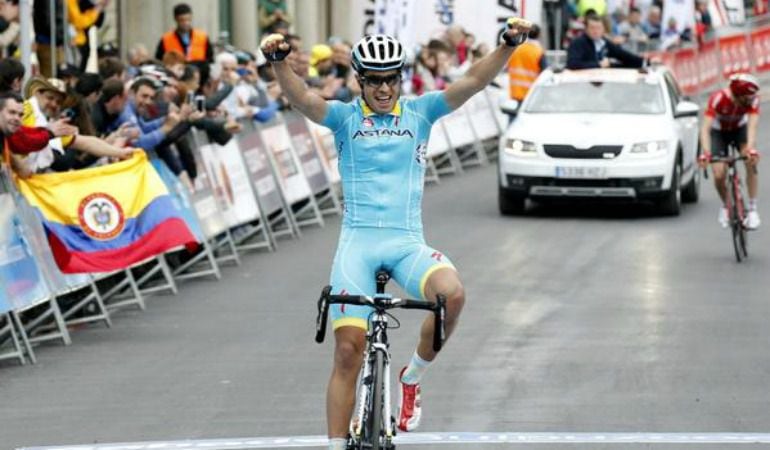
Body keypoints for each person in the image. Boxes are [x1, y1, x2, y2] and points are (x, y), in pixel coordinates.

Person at [261, 18, 532, 450]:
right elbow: (304, 100)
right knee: (348, 351)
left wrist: (507, 46)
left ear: (400, 79)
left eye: (391, 80)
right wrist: (277, 63)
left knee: (454, 294)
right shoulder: (346, 118)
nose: (384, 90)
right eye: (374, 82)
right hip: (358, 244)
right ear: (360, 81)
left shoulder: (421, 112)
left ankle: (411, 378)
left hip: (406, 242)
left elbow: (474, 81)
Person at [699, 73, 761, 229]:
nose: (750, 100)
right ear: (738, 95)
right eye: (747, 98)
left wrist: (751, 149)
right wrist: (706, 153)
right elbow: (705, 129)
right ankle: (727, 205)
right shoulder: (718, 99)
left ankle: (752, 209)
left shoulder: (753, 100)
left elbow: (752, 127)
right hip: (719, 133)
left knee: (749, 159)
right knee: (719, 174)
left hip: (740, 129)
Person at [566, 12, 646, 70]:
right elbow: (573, 64)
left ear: (603, 29)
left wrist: (645, 62)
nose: (595, 31)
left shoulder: (603, 42)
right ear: (586, 29)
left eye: (598, 28)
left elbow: (623, 55)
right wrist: (598, 64)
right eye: (592, 28)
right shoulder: (578, 42)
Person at [507, 24, 546, 105]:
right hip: (532, 95)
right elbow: (544, 75)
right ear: (539, 35)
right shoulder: (538, 52)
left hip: (515, 93)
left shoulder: (517, 49)